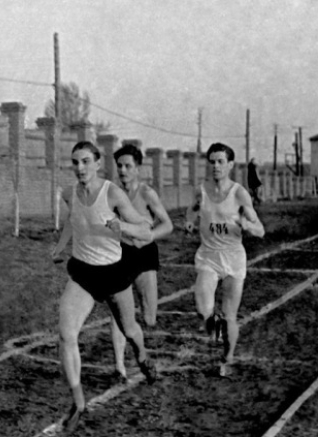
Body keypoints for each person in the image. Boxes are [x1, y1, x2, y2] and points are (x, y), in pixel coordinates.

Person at [51, 141, 159, 433]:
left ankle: (142, 355)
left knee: (131, 331)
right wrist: (60, 247)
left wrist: (122, 227)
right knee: (65, 333)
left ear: (98, 163)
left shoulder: (112, 192)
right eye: (75, 162)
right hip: (83, 273)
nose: (80, 168)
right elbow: (73, 222)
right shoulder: (68, 193)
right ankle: (78, 403)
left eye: (86, 161)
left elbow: (145, 229)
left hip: (113, 273)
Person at [185, 143, 265, 377]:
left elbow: (260, 229)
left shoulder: (239, 193)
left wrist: (247, 225)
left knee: (229, 315)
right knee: (203, 310)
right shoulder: (201, 190)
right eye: (212, 161)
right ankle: (215, 328)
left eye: (221, 161)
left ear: (230, 165)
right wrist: (189, 221)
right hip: (209, 257)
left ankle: (228, 356)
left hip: (233, 258)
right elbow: (192, 210)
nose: (216, 166)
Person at [105, 144, 174, 380]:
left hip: (144, 255)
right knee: (118, 311)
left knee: (149, 318)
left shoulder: (147, 193)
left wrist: (149, 235)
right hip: (121, 255)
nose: (123, 171)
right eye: (120, 166)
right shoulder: (112, 194)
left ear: (138, 169)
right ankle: (119, 367)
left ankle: (138, 338)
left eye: (128, 166)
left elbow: (167, 224)